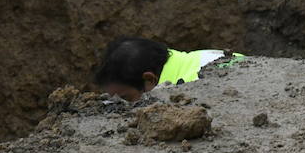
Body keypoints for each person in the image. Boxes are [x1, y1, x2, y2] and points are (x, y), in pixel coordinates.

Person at [94, 36, 245, 102]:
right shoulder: (190, 59)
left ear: (149, 79)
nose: (122, 106)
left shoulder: (188, 89)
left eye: (126, 98)